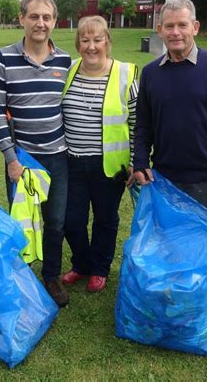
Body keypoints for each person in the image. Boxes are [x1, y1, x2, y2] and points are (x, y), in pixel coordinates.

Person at [133, 0, 207, 282]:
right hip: (165, 177)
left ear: (194, 27)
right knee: (169, 243)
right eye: (168, 26)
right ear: (160, 30)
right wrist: (138, 161)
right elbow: (143, 125)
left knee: (203, 245)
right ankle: (172, 296)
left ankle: (199, 307)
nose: (175, 32)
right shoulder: (150, 74)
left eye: (182, 25)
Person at [0, 0, 71, 307]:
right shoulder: (3, 57)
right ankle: (21, 278)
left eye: (46, 18)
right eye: (34, 16)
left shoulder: (64, 60)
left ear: (54, 22)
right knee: (21, 222)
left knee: (55, 222)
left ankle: (51, 276)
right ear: (22, 19)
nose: (40, 23)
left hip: (58, 157)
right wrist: (10, 158)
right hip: (22, 159)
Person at [61, 16, 137, 292]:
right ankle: (81, 264)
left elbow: (137, 122)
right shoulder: (67, 71)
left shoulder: (125, 74)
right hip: (72, 163)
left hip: (110, 166)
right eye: (85, 40)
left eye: (97, 39)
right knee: (72, 220)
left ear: (108, 41)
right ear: (78, 43)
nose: (91, 46)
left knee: (105, 218)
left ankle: (100, 268)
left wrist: (134, 162)